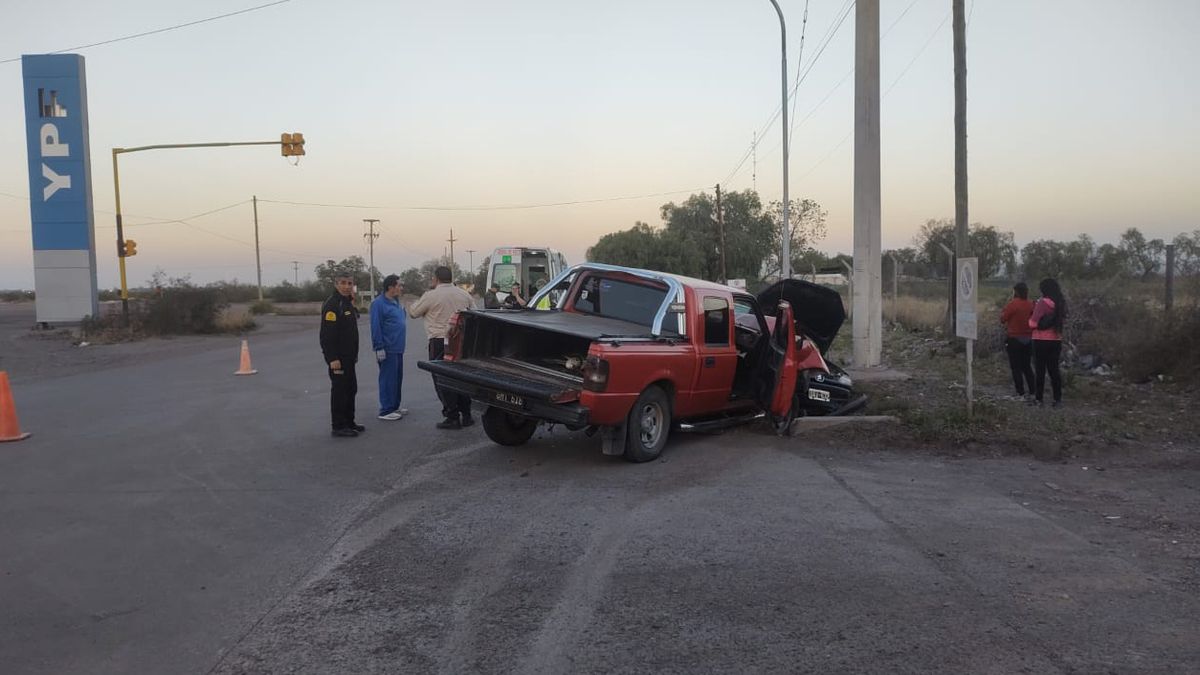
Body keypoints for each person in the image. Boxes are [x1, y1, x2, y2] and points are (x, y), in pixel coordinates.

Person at [409, 266, 475, 429]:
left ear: (436, 278)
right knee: (461, 377)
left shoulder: (431, 296)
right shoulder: (463, 294)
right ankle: (467, 414)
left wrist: (414, 304)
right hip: (460, 341)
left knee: (442, 378)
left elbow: (414, 313)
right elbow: (474, 313)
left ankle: (452, 415)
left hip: (439, 341)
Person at [320, 272, 363, 437]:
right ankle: (338, 426)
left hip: (349, 357)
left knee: (351, 389)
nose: (347, 286)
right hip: (338, 358)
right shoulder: (333, 305)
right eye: (343, 283)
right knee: (340, 391)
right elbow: (327, 335)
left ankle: (349, 422)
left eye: (349, 283)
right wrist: (332, 358)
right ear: (336, 284)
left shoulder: (347, 303)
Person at [370, 274, 408, 421]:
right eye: (399, 285)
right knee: (388, 379)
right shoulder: (378, 304)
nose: (401, 288)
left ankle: (394, 406)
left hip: (398, 347)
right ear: (390, 287)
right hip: (387, 348)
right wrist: (379, 347)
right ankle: (386, 410)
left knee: (397, 378)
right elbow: (376, 326)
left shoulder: (396, 302)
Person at [1028, 277, 1067, 408]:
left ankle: (1039, 399)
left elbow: (1032, 323)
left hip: (1040, 340)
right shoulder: (1060, 302)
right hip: (1056, 340)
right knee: (1054, 370)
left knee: (1040, 370)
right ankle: (1058, 399)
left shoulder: (1042, 303)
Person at [999, 281, 1035, 400]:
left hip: (1014, 339)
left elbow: (1003, 319)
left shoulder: (1013, 304)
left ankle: (1020, 392)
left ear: (1016, 291)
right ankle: (1033, 391)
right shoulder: (1031, 304)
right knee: (1027, 366)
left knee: (1016, 367)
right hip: (1028, 339)